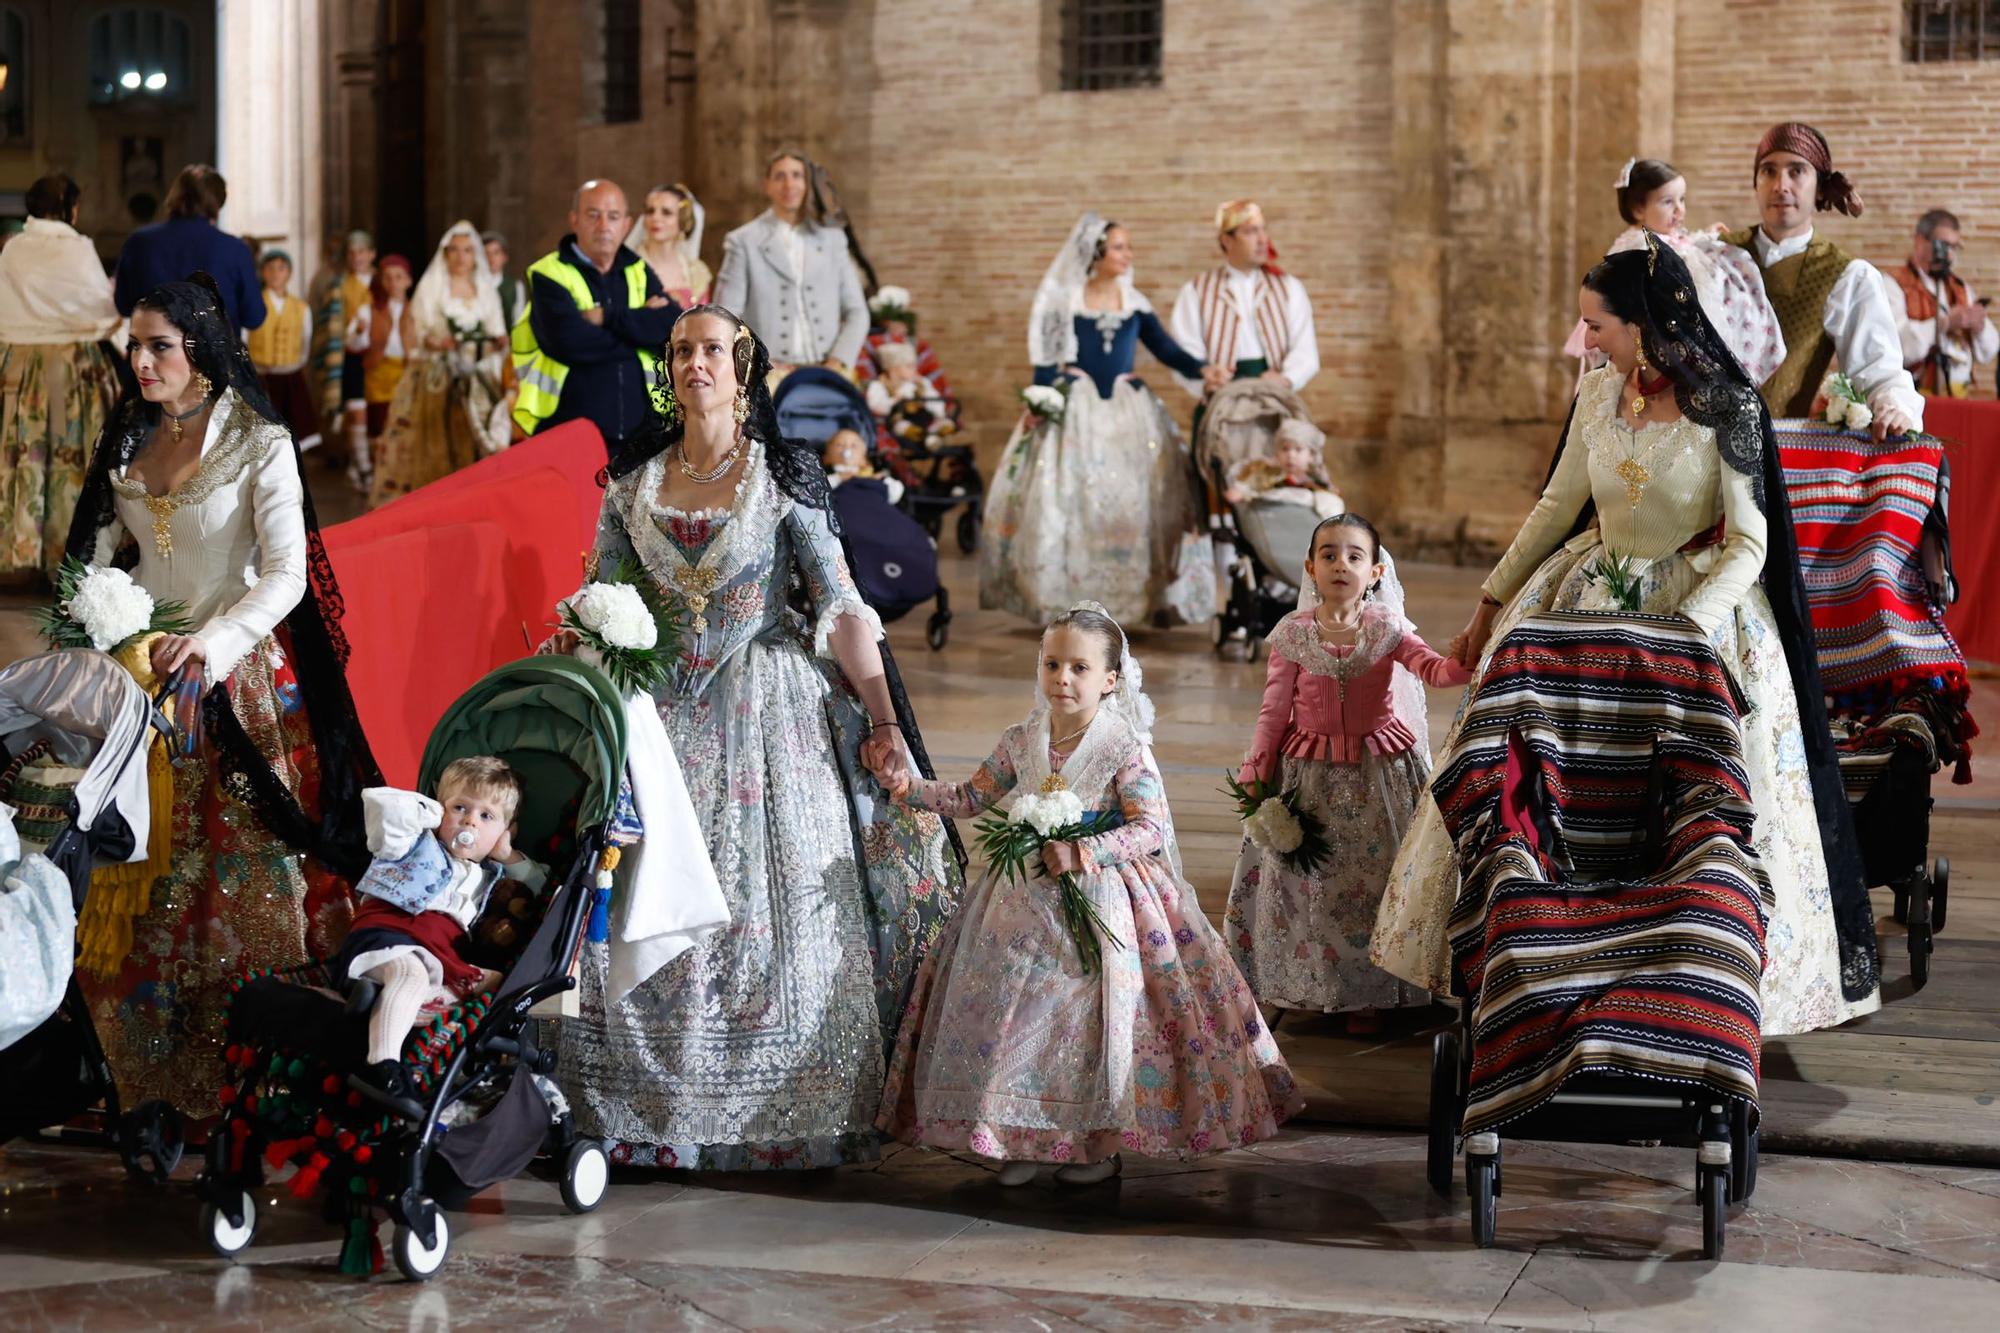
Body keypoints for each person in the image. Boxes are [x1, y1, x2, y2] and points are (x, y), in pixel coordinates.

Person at [1377, 238, 1881, 1037]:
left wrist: (1690, 633)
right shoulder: (1595, 397)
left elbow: (1749, 544)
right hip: (1588, 597)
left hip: (1695, 608)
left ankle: (1684, 977)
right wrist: (1488, 601)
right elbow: (1555, 508)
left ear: (1643, 324)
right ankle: (1538, 956)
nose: (1587, 342)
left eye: (1596, 325)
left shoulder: (1730, 406)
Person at [548, 304, 959, 1170]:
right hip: (657, 711)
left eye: (712, 350)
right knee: (645, 892)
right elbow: (598, 597)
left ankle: (776, 1112)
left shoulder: (785, 477)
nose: (696, 362)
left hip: (765, 706)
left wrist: (882, 717)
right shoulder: (634, 480)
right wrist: (574, 659)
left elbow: (842, 604)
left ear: (741, 369)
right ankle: (639, 1109)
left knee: (759, 912)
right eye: (682, 350)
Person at [65, 273, 379, 1117]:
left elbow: (284, 577)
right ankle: (145, 1069)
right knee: (143, 878)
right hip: (140, 683)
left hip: (231, 682)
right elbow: (93, 560)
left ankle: (255, 1067)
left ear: (201, 352)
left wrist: (211, 641)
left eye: (158, 345)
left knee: (238, 884)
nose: (140, 361)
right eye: (134, 345)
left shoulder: (257, 441)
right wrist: (105, 626)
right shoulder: (129, 435)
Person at [877, 604, 1300, 1184]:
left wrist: (1085, 851)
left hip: (1102, 902)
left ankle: (1096, 1144)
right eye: (1053, 664)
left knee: (1081, 1021)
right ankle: (1019, 1136)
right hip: (1020, 904)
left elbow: (1149, 826)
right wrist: (908, 789)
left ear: (1110, 680)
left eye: (1079, 667)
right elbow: (970, 798)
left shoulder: (1122, 746)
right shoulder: (1021, 740)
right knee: (1015, 1015)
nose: (1063, 679)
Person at [1226, 515, 1467, 1030]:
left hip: (1379, 772)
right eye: (1329, 555)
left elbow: (1434, 670)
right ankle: (1305, 980)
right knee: (1305, 881)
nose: (1341, 564)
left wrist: (1467, 655)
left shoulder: (1386, 629)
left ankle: (1370, 994)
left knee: (1374, 878)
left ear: (1376, 572)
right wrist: (1258, 767)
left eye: (1355, 556)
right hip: (1308, 774)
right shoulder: (1293, 635)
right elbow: (1275, 709)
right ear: (1311, 568)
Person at [980, 213, 1223, 626]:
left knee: (1134, 501)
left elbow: (1166, 349)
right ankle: (1068, 596)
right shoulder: (1065, 301)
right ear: (1096, 253)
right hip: (1077, 413)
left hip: (1129, 416)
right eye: (1119, 247)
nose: (1128, 255)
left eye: (1128, 247)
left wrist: (1204, 370)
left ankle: (1132, 600)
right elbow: (1047, 362)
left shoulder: (1135, 303)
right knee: (1072, 500)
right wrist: (1040, 402)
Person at [331, 762, 546, 1113]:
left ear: (506, 830)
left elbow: (541, 888)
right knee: (410, 973)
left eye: (486, 816)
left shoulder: (488, 877)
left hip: (440, 951)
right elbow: (381, 806)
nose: (470, 821)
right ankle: (383, 1066)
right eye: (460, 808)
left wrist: (506, 853)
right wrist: (429, 815)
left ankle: (377, 996)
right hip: (391, 929)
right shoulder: (414, 844)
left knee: (495, 983)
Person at [1718, 123, 1922, 436]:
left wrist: (1895, 407)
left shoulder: (1847, 276)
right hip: (1697, 452)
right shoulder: (1718, 255)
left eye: (1797, 171)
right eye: (1768, 171)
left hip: (1781, 458)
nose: (1780, 185)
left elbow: (1878, 370)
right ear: (1755, 183)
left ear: (1821, 187)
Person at [1561, 158, 1783, 390]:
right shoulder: (1637, 244)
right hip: (1647, 334)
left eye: (1682, 199)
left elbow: (1683, 244)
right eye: (1668, 202)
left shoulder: (1664, 235)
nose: (1680, 209)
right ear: (1638, 209)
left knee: (1732, 276)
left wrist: (1706, 236)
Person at [0, 173, 123, 579]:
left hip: (19, 368)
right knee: (74, 458)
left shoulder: (15, 248)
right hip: (74, 368)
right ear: (71, 207)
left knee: (23, 455)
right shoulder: (78, 248)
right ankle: (67, 552)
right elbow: (99, 308)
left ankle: (20, 550)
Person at [510, 179, 680, 452]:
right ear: (574, 220)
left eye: (613, 217)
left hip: (641, 432)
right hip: (568, 429)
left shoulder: (637, 270)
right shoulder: (549, 274)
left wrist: (606, 318)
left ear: (626, 225)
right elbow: (569, 342)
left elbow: (672, 327)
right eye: (593, 215)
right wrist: (638, 333)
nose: (604, 226)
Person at [369, 221, 510, 505]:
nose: (461, 257)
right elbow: (416, 330)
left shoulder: (484, 289)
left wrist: (498, 341)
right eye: (455, 251)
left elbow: (497, 327)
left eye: (468, 251)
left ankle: (471, 500)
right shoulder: (433, 286)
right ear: (446, 254)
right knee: (433, 442)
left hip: (477, 377)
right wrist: (436, 342)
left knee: (475, 438)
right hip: (437, 376)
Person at [713, 150, 869, 377]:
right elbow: (726, 316)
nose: (789, 184)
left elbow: (857, 311)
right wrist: (757, 364)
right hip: (767, 375)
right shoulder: (743, 241)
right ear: (766, 185)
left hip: (830, 372)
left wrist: (837, 361)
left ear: (807, 183)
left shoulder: (833, 239)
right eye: (780, 176)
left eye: (797, 175)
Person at [1169, 199, 1320, 397]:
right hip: (1220, 401)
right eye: (1250, 232)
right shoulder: (1196, 291)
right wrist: (1205, 383)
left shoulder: (1288, 287)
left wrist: (1286, 379)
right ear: (1226, 240)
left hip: (1275, 397)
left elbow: (1305, 350)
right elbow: (1184, 352)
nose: (1262, 240)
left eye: (1263, 230)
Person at [112, 165, 263, 332]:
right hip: (214, 356)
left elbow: (124, 306)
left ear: (175, 196)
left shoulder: (138, 241)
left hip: (154, 354)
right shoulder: (236, 249)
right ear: (219, 203)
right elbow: (254, 317)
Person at [1890, 209, 1997, 397]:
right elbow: (1894, 346)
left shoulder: (1960, 288)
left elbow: (1988, 353)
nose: (1948, 254)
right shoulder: (1893, 284)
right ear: (1919, 240)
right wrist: (1944, 324)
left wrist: (1979, 327)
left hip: (1957, 396)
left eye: (1954, 247)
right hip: (1911, 396)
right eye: (1943, 245)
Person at [347, 255, 415, 488]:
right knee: (379, 424)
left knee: (404, 423)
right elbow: (353, 344)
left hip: (405, 373)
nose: (393, 283)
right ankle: (377, 473)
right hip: (378, 371)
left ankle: (399, 472)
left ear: (408, 281)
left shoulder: (415, 310)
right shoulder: (368, 310)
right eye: (388, 278)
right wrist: (359, 332)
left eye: (399, 278)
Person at [246, 249, 323, 453]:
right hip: (262, 376)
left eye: (281, 268)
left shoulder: (301, 308)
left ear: (289, 273)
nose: (275, 273)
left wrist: (295, 363)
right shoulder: (254, 305)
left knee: (293, 428)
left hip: (291, 376)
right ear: (262, 273)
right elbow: (245, 338)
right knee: (265, 430)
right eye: (270, 268)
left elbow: (305, 341)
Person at [1223, 417, 1344, 519]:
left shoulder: (1314, 478)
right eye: (1285, 449)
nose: (1290, 455)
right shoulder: (1267, 473)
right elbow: (1247, 487)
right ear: (1277, 454)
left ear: (1311, 456)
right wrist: (1242, 491)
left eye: (1298, 449)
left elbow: (1328, 494)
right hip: (1271, 517)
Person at [331, 231, 378, 478]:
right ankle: (361, 464)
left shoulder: (382, 281)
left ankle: (373, 461)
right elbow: (333, 322)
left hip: (379, 353)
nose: (357, 257)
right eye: (352, 253)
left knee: (377, 408)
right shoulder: (341, 285)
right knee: (356, 408)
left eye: (362, 252)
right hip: (351, 353)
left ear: (372, 254)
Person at [628, 184, 712, 308]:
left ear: (683, 220)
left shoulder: (697, 272)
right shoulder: (628, 267)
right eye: (650, 211)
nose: (655, 217)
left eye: (666, 213)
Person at [482, 231, 527, 332]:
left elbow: (518, 320)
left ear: (504, 257)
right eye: (486, 254)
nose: (491, 258)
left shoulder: (515, 286)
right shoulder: (472, 285)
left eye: (496, 253)